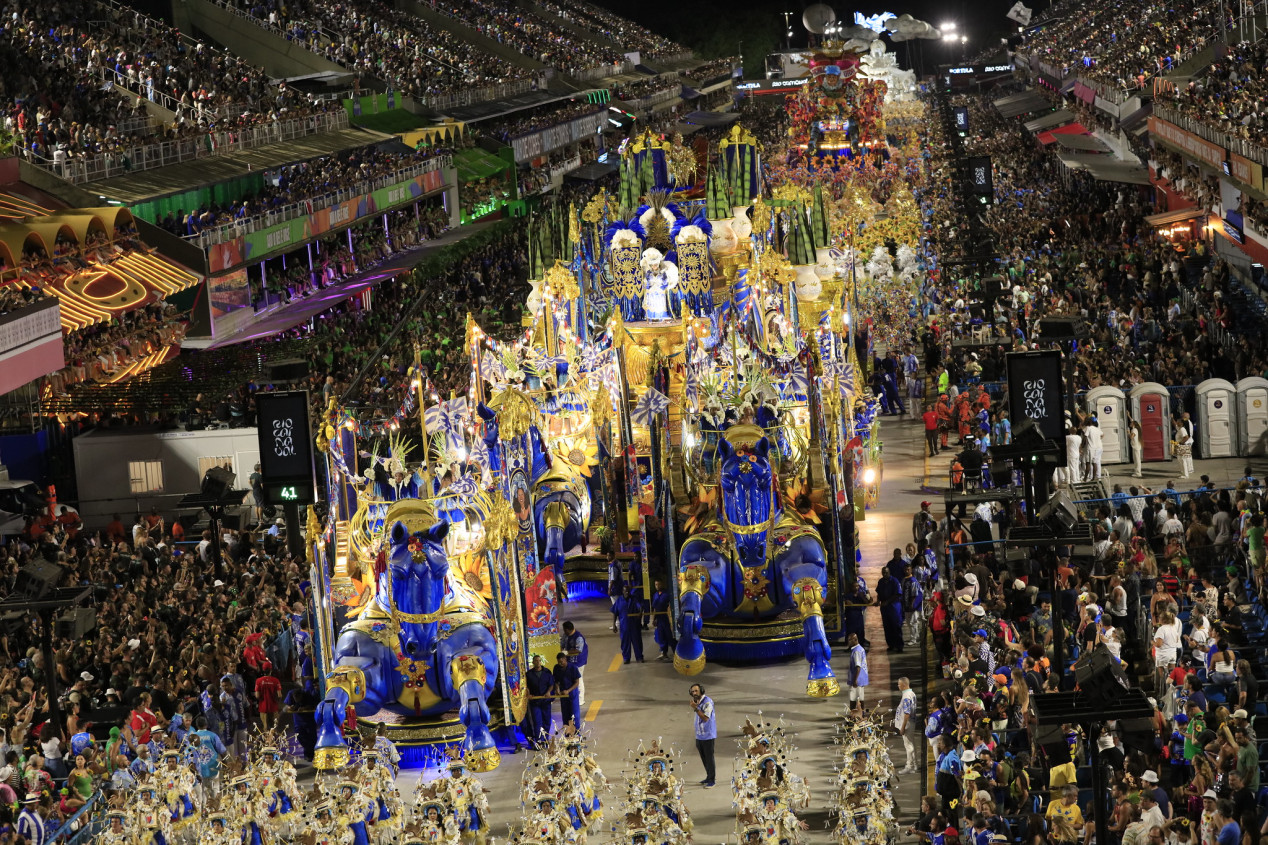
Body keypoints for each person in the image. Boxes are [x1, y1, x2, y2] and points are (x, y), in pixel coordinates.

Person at [689, 683, 716, 788]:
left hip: (708, 735)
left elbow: (705, 718)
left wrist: (695, 708)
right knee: (704, 758)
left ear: (701, 691)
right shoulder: (697, 702)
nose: (694, 693)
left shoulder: (708, 702)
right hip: (699, 735)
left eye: (696, 691)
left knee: (709, 758)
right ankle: (708, 777)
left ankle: (712, 780)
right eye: (692, 691)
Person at [526, 654, 555, 745]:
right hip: (535, 701)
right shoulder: (529, 674)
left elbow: (551, 684)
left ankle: (546, 738)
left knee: (546, 720)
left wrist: (548, 692)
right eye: (536, 661)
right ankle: (539, 740)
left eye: (539, 661)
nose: (538, 662)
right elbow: (526, 686)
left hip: (545, 701)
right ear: (533, 662)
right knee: (537, 721)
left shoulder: (547, 672)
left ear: (541, 662)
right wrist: (529, 694)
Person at [611, 584, 645, 664]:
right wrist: (614, 624)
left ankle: (639, 657)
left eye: (628, 591)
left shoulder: (634, 600)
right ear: (622, 591)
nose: (627, 592)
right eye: (625, 591)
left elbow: (640, 606)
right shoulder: (619, 601)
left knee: (637, 642)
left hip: (634, 625)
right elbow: (615, 612)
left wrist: (640, 612)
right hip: (624, 626)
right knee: (625, 643)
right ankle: (626, 658)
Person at [876, 565, 904, 652]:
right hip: (884, 608)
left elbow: (897, 594)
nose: (885, 574)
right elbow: (879, 593)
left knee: (896, 626)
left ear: (889, 572)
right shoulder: (881, 582)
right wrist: (878, 601)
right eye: (883, 572)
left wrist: (887, 602)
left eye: (886, 572)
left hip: (894, 607)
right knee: (887, 627)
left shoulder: (895, 581)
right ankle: (891, 644)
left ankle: (899, 646)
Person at [561, 620, 588, 706]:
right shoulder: (566, 635)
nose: (564, 632)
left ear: (569, 629)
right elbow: (562, 645)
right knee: (571, 679)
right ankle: (572, 696)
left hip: (578, 661)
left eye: (565, 630)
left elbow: (578, 650)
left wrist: (567, 652)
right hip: (569, 661)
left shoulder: (578, 637)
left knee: (578, 679)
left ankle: (581, 699)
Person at [552, 651, 581, 728]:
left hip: (572, 693)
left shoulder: (573, 668)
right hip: (563, 695)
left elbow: (577, 682)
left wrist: (568, 691)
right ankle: (567, 732)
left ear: (565, 659)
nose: (560, 664)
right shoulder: (556, 668)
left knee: (574, 714)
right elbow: (556, 681)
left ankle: (576, 732)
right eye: (558, 662)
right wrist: (557, 688)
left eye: (561, 662)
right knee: (565, 714)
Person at [895, 677, 917, 774]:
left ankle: (909, 766)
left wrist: (902, 727)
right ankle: (914, 764)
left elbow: (907, 713)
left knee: (908, 746)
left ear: (904, 685)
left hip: (907, 724)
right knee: (911, 744)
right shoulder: (911, 694)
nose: (898, 686)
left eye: (899, 684)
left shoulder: (906, 697)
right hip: (911, 722)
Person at [651, 579, 676, 661]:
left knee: (670, 636)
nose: (657, 586)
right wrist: (654, 619)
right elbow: (654, 608)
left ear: (662, 585)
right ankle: (663, 653)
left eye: (658, 584)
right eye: (656, 584)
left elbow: (671, 606)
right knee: (661, 636)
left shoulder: (667, 594)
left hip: (666, 618)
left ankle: (676, 653)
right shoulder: (655, 595)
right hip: (659, 619)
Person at [845, 633, 869, 713]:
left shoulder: (856, 652)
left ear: (855, 640)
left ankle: (854, 715)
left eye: (849, 640)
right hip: (861, 679)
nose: (848, 642)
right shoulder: (860, 649)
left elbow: (858, 667)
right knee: (860, 696)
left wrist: (854, 680)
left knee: (853, 697)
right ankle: (861, 714)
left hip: (857, 679)